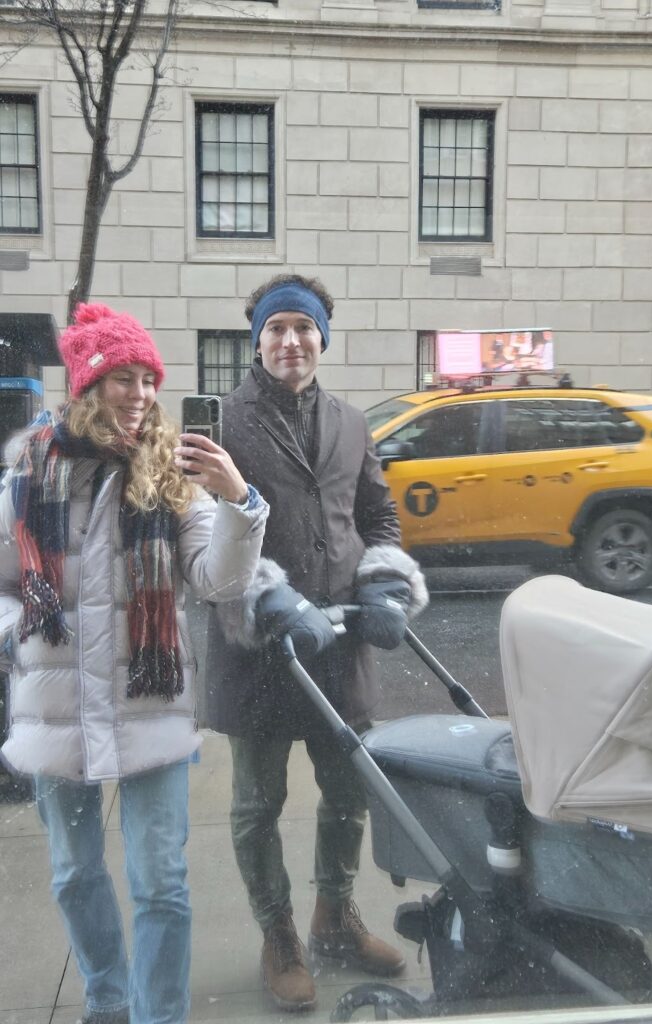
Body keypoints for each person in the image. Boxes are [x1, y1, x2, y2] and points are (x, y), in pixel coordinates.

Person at [0, 302, 268, 1024]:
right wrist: (22, 627)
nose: (141, 395)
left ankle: (160, 1016)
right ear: (89, 385)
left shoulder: (170, 475)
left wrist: (240, 502)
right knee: (73, 874)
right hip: (55, 705)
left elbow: (219, 581)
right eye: (124, 378)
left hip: (153, 702)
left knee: (163, 883)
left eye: (148, 379)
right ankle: (108, 999)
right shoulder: (27, 472)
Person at [205, 274, 428, 1011]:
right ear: (257, 340)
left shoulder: (352, 422)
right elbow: (201, 537)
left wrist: (385, 587)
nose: (291, 342)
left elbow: (379, 517)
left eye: (304, 329)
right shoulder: (220, 425)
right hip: (260, 650)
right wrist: (271, 597)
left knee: (347, 797)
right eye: (277, 329)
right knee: (256, 806)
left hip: (339, 645)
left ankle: (334, 917)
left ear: (321, 340)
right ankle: (281, 938)